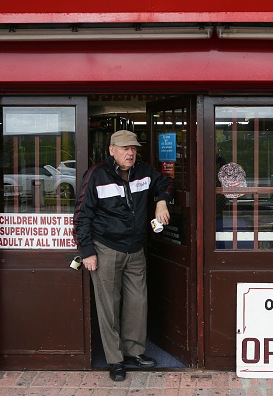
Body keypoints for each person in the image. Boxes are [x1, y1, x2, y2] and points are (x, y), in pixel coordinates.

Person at [73, 130, 174, 382]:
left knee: (137, 303)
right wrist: (87, 251)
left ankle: (134, 352)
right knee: (109, 306)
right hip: (106, 248)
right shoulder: (96, 174)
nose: (130, 153)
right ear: (111, 150)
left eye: (133, 148)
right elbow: (82, 216)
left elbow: (168, 183)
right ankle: (115, 359)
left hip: (135, 249)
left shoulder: (144, 171)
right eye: (124, 148)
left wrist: (161, 201)